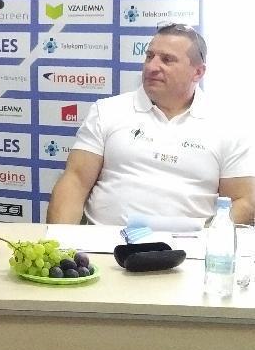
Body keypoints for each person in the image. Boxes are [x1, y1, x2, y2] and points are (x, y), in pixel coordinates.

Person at [47, 24, 255, 226]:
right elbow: (75, 182)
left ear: (198, 72)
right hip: (106, 241)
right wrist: (61, 241)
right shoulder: (107, 110)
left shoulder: (226, 125)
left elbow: (243, 200)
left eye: (167, 59)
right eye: (149, 56)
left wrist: (208, 240)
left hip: (190, 245)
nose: (152, 67)